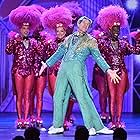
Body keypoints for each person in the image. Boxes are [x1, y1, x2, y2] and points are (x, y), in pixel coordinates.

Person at [39, 16, 121, 135]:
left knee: (83, 98)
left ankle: (93, 126)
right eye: (83, 24)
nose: (85, 26)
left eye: (87, 25)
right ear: (78, 24)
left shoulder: (91, 40)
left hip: (77, 70)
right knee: (58, 96)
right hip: (63, 69)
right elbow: (59, 53)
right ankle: (57, 125)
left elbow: (98, 57)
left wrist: (108, 70)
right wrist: (47, 64)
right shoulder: (68, 38)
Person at [96, 5, 140, 129]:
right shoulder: (103, 43)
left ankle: (119, 121)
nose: (116, 32)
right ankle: (112, 120)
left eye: (118, 30)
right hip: (110, 73)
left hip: (122, 71)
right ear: (109, 30)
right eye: (114, 29)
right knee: (112, 96)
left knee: (120, 97)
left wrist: (138, 39)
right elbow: (97, 56)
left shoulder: (123, 43)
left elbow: (136, 51)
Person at [41, 5, 75, 130]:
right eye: (58, 31)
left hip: (67, 72)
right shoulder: (50, 44)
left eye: (62, 31)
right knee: (57, 96)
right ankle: (57, 121)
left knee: (67, 95)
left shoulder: (70, 43)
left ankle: (65, 119)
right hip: (54, 72)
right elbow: (44, 56)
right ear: (55, 32)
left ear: (65, 31)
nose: (60, 33)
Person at [6, 6, 40, 129]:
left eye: (27, 28)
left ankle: (26, 119)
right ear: (20, 29)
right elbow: (8, 51)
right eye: (23, 28)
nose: (26, 30)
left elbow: (42, 54)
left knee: (27, 96)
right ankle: (20, 119)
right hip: (18, 71)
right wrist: (12, 40)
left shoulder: (33, 42)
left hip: (30, 71)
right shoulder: (15, 40)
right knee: (19, 96)